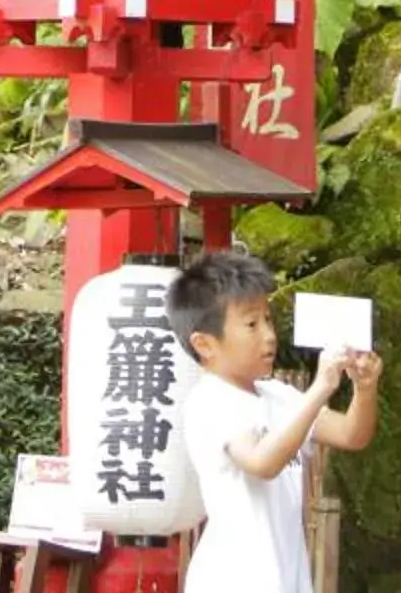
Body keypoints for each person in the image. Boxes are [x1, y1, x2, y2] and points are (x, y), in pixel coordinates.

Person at [167, 249, 381, 593]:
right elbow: (262, 462)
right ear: (205, 344)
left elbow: (351, 434)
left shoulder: (280, 397)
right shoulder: (210, 401)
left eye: (268, 319)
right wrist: (321, 388)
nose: (268, 335)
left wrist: (364, 389)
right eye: (251, 324)